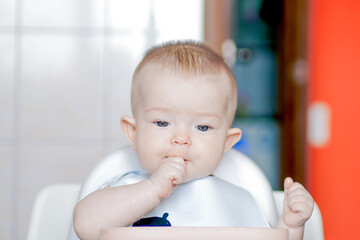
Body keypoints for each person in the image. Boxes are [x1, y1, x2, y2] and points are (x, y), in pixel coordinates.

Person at [72, 40, 314, 240]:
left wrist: (291, 225)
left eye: (202, 126)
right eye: (162, 123)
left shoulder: (238, 200)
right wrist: (153, 189)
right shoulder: (122, 191)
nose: (181, 139)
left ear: (227, 142)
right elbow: (84, 227)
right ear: (133, 133)